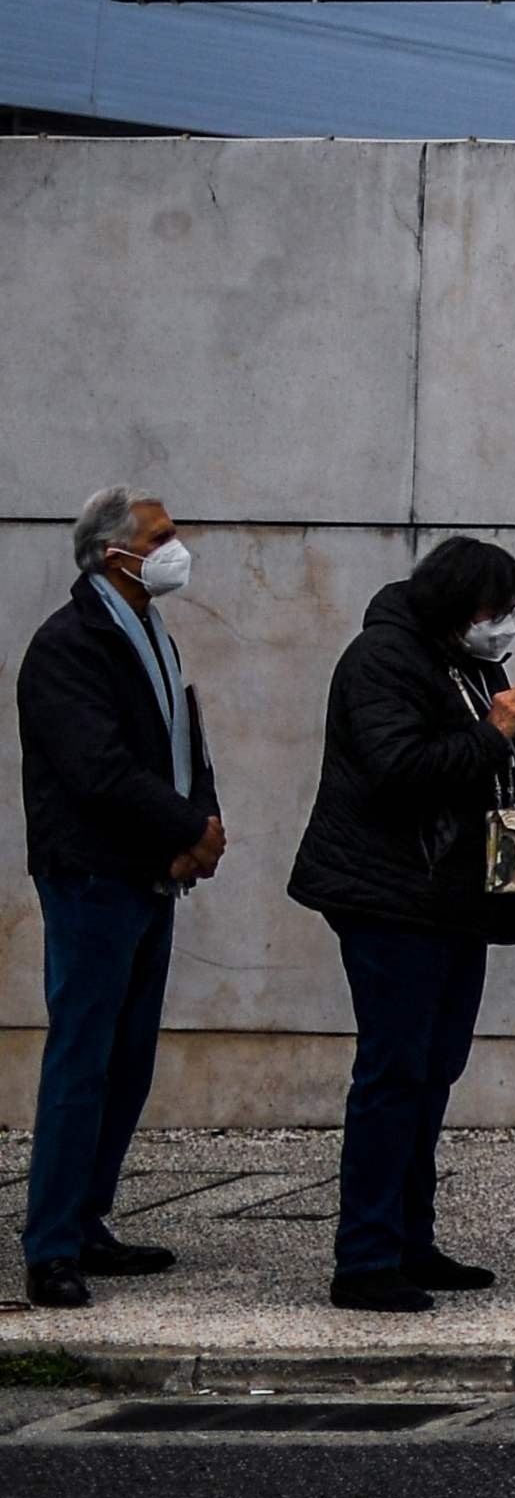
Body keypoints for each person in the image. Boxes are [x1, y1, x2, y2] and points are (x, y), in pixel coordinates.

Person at [282, 535, 515, 1312]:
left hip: (453, 892)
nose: (502, 626)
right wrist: (491, 732)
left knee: (434, 1068)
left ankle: (412, 1239)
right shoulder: (382, 659)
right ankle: (365, 1257)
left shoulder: (469, 664)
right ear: (454, 602)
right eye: (495, 609)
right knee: (393, 1071)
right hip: (387, 892)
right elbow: (399, 771)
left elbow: (493, 771)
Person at [19, 491, 219, 1308]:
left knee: (126, 1060)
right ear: (113, 554)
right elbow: (97, 769)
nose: (177, 549)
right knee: (83, 1060)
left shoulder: (150, 633)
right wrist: (186, 825)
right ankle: (51, 1245)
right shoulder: (70, 645)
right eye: (161, 538)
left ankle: (88, 1219)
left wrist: (200, 820)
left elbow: (179, 736)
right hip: (93, 875)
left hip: (146, 871)